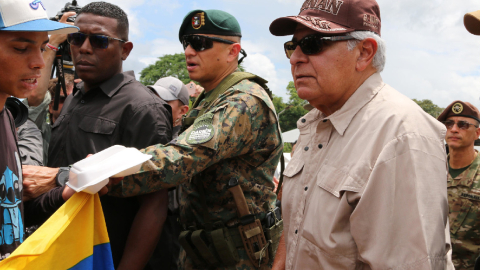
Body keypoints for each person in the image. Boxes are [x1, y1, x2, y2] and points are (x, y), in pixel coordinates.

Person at [269, 0, 450, 269]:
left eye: (312, 44)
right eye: (291, 46)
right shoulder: (315, 124)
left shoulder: (401, 136)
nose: (295, 58)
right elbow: (295, 228)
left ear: (365, 52)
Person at [108, 9, 283, 270]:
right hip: (206, 249)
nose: (189, 51)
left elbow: (182, 158)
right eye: (187, 43)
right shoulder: (211, 97)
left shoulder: (243, 100)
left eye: (201, 43)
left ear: (233, 52)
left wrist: (104, 174)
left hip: (239, 256)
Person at [25, 2, 172, 269]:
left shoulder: (141, 106)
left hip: (107, 256)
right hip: (65, 252)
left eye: (100, 41)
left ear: (125, 50)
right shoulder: (76, 96)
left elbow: (154, 206)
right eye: (76, 38)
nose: (84, 48)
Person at [0, 0, 79, 260]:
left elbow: (10, 210)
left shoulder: (10, 119)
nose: (40, 63)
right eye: (21, 48)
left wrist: (65, 191)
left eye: (43, 48)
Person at [438, 101, 480, 269]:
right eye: (449, 124)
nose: (454, 129)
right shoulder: (430, 168)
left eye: (463, 125)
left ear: (477, 133)